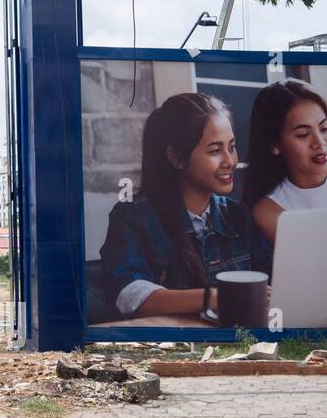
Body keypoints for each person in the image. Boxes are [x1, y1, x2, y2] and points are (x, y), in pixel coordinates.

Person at [100, 91, 271, 320]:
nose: (230, 161)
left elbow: (275, 283)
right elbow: (130, 296)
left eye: (231, 146)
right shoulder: (132, 216)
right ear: (176, 157)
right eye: (215, 150)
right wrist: (216, 298)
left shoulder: (240, 216)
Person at [244, 79, 327, 244]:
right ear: (275, 145)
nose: (320, 142)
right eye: (303, 134)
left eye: (324, 129)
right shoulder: (269, 211)